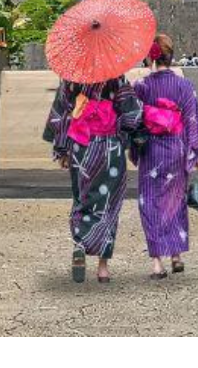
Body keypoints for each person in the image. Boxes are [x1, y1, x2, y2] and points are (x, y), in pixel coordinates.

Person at [45, 74, 145, 283]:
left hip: (81, 147)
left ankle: (80, 245)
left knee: (82, 197)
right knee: (109, 203)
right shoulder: (116, 78)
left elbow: (61, 114)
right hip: (109, 148)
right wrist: (125, 136)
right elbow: (132, 115)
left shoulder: (71, 78)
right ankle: (103, 268)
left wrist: (62, 150)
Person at [132, 35, 198, 278]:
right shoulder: (184, 86)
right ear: (171, 55)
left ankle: (157, 263)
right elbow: (192, 120)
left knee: (151, 202)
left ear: (151, 57)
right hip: (176, 148)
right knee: (175, 201)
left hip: (152, 150)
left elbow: (133, 122)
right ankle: (176, 255)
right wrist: (197, 154)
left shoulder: (141, 87)